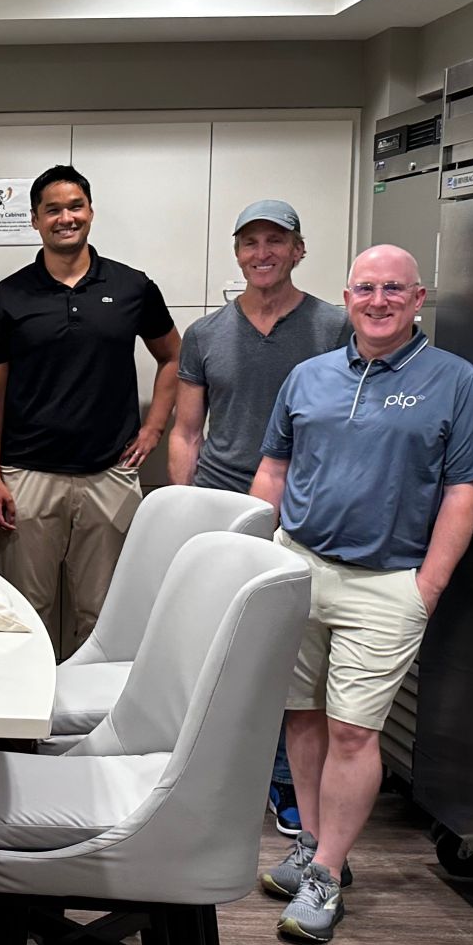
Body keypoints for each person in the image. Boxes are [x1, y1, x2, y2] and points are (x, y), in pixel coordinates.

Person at [251, 244, 473, 945]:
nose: (379, 301)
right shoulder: (309, 376)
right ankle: (312, 846)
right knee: (299, 715)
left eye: (395, 289)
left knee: (354, 730)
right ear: (348, 296)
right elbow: (275, 466)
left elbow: (464, 493)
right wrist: (253, 552)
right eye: (367, 288)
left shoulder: (458, 383)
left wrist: (426, 588)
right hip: (295, 567)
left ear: (419, 299)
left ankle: (327, 873)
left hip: (387, 583)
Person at [168, 199, 348, 838]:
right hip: (225, 510)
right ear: (238, 253)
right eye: (251, 243)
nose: (262, 253)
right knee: (222, 652)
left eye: (276, 241)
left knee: (290, 656)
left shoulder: (334, 325)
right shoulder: (207, 335)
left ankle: (283, 780)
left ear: (299, 250)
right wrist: (184, 510)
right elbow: (187, 430)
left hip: (306, 514)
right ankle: (217, 773)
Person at [0, 166, 180, 659]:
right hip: (27, 475)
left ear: (90, 212)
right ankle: (27, 733)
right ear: (34, 220)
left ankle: (92, 731)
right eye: (53, 209)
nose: (65, 218)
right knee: (25, 613)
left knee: (105, 613)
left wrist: (153, 428)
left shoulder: (132, 287)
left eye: (75, 207)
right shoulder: (10, 295)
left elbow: (174, 357)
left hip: (109, 474)